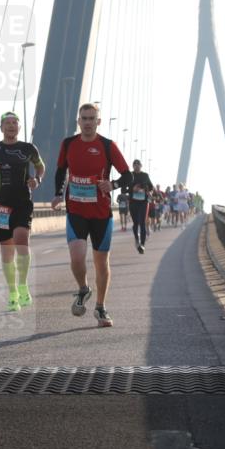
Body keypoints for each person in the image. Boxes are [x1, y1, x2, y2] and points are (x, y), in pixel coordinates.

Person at [51, 103, 132, 327]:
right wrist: (58, 194)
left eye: (91, 118)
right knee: (76, 257)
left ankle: (100, 307)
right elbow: (60, 171)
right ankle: (83, 288)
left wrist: (112, 184)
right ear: (78, 121)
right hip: (76, 209)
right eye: (84, 118)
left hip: (101, 213)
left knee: (101, 262)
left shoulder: (107, 146)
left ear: (98, 122)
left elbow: (127, 176)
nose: (87, 122)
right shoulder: (68, 144)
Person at [0, 112, 45, 311]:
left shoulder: (28, 148)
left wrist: (38, 180)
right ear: (1, 127)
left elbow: (40, 166)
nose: (11, 126)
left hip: (23, 202)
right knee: (7, 250)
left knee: (21, 238)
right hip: (1, 205)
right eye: (7, 123)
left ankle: (23, 286)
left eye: (14, 123)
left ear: (19, 127)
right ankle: (13, 293)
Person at [128, 159, 154, 254]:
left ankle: (142, 245)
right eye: (134, 164)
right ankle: (136, 239)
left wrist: (149, 192)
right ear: (133, 166)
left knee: (142, 223)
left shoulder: (145, 175)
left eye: (138, 164)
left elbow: (151, 187)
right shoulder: (130, 175)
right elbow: (124, 189)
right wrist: (132, 189)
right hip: (133, 202)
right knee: (136, 223)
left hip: (143, 202)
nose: (136, 166)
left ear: (141, 166)